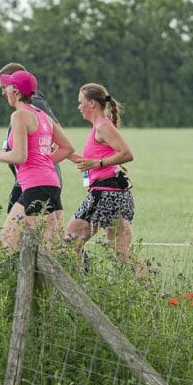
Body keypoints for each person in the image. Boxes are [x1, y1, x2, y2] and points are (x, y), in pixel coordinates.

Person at [0, 69, 74, 251]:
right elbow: (67, 148)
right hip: (48, 184)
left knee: (23, 246)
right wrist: (45, 163)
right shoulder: (43, 115)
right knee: (36, 244)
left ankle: (73, 276)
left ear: (15, 92)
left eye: (7, 88)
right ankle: (75, 272)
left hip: (36, 186)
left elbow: (19, 156)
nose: (4, 92)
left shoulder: (19, 116)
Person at [65, 84, 136, 264]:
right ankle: (146, 289)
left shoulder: (103, 126)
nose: (78, 107)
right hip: (111, 193)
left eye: (80, 102)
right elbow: (90, 165)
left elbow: (127, 154)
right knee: (122, 254)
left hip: (105, 194)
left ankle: (80, 283)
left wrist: (98, 163)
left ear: (92, 104)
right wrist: (64, 152)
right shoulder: (99, 127)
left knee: (70, 241)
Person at [0, 62, 64, 213]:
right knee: (44, 234)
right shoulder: (26, 110)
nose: (3, 92)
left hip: (35, 180)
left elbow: (58, 137)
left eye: (4, 87)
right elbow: (66, 145)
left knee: (14, 234)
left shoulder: (33, 105)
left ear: (16, 87)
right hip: (35, 179)